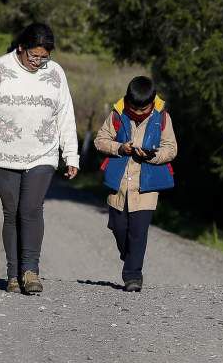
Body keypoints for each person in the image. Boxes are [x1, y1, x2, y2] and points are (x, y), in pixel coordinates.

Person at [0, 23, 79, 294]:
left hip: (43, 153)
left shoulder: (55, 74)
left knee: (31, 209)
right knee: (12, 212)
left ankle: (30, 272)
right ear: (21, 47)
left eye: (44, 57)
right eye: (34, 56)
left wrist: (71, 154)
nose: (38, 62)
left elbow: (65, 114)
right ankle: (13, 275)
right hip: (3, 155)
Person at [94, 76, 177, 292]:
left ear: (152, 102)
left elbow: (171, 148)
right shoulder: (116, 114)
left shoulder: (163, 117)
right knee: (119, 227)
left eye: (145, 110)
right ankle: (129, 256)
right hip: (118, 185)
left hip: (147, 187)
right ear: (128, 101)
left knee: (138, 232)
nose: (139, 113)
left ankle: (133, 276)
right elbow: (100, 140)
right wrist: (120, 148)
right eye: (135, 109)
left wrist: (152, 155)